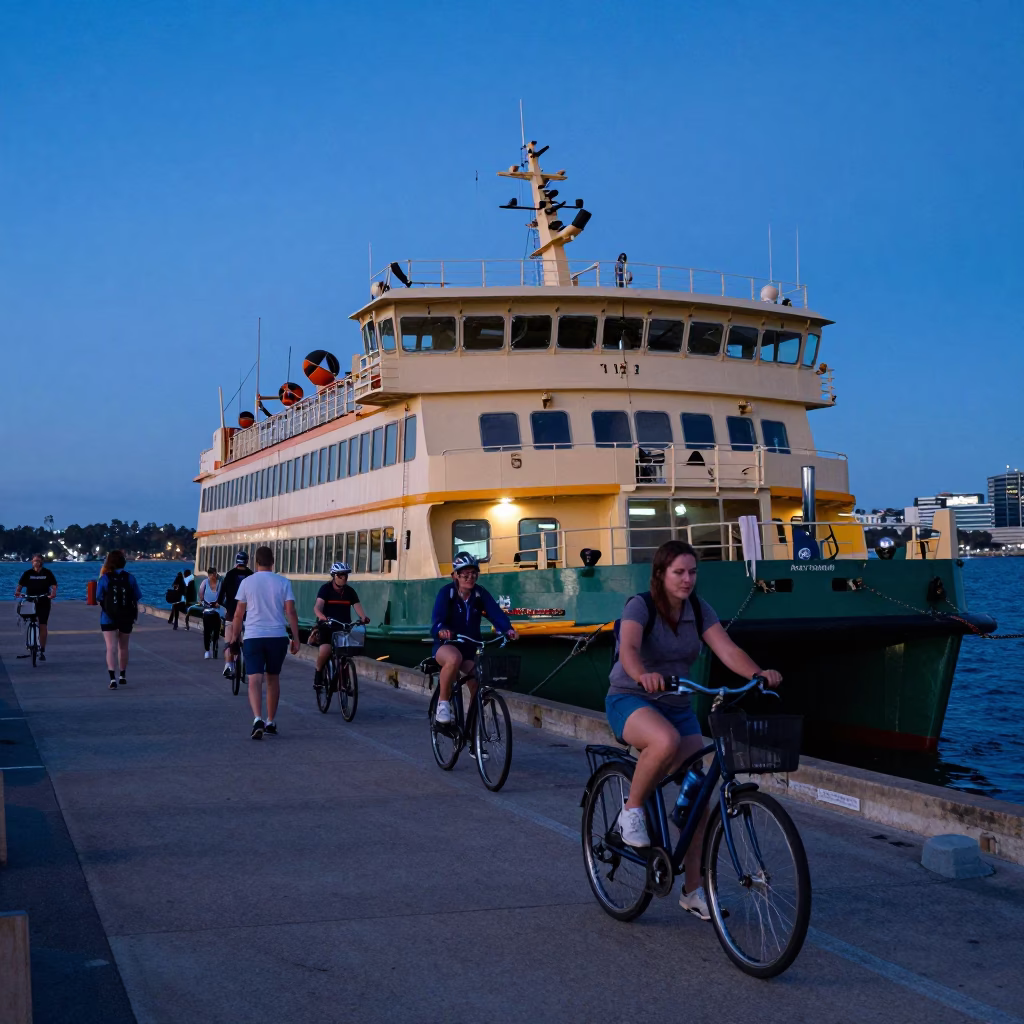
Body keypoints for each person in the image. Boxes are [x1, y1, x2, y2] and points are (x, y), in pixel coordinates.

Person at [607, 539, 781, 921]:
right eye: (679, 572)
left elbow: (728, 649)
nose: (687, 579)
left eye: (692, 572)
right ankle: (631, 812)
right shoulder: (641, 606)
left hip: (677, 704)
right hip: (630, 698)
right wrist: (643, 676)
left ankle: (693, 890)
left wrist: (757, 674)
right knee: (663, 741)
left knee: (701, 798)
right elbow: (629, 651)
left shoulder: (699, 610)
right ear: (661, 574)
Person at [429, 552, 516, 725]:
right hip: (447, 645)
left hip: (469, 648)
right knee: (454, 658)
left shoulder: (480, 594)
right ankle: (443, 704)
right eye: (465, 574)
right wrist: (443, 630)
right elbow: (437, 621)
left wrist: (508, 629)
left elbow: (495, 613)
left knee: (479, 679)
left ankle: (472, 730)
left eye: (474, 574)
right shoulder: (447, 593)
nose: (470, 578)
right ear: (455, 575)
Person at [230, 545, 299, 739]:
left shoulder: (247, 583)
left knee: (254, 679)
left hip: (253, 636)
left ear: (256, 562)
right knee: (273, 678)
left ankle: (257, 718)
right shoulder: (283, 582)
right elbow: (290, 612)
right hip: (277, 637)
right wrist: (296, 637)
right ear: (273, 562)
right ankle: (270, 721)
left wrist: (235, 637)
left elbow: (238, 614)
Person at [310, 561, 370, 687]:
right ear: (334, 576)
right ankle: (319, 672)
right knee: (325, 650)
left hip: (343, 626)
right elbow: (317, 607)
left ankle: (344, 681)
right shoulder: (325, 589)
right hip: (327, 625)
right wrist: (323, 618)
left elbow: (357, 606)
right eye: (341, 575)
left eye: (346, 575)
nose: (344, 578)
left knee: (345, 653)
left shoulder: (349, 592)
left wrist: (363, 617)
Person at [96, 550, 143, 689]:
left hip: (107, 617)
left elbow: (98, 597)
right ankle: (122, 675)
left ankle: (112, 679)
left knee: (110, 647)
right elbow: (137, 596)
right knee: (123, 647)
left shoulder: (105, 578)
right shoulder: (130, 578)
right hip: (126, 616)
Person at [14, 554, 58, 661]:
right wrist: (18, 592)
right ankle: (31, 642)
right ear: (32, 562)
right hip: (30, 599)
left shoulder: (47, 573)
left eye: (38, 561)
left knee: (43, 625)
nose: (36, 563)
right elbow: (20, 586)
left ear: (42, 561)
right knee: (30, 619)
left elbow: (54, 585)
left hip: (43, 600)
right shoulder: (28, 573)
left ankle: (42, 649)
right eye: (34, 561)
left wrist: (53, 593)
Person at [218, 551, 253, 678]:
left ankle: (229, 665)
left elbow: (220, 596)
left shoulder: (230, 575)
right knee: (246, 642)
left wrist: (226, 606)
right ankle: (246, 664)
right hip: (248, 616)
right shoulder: (251, 575)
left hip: (232, 614)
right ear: (247, 561)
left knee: (229, 642)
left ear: (236, 561)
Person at [198, 567, 224, 659]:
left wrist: (218, 603)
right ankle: (207, 650)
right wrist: (203, 602)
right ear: (209, 575)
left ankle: (215, 644)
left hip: (217, 609)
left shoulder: (220, 582)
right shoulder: (205, 583)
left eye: (215, 574)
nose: (214, 576)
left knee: (217, 630)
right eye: (212, 574)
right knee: (207, 631)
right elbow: (201, 594)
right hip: (207, 609)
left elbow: (223, 594)